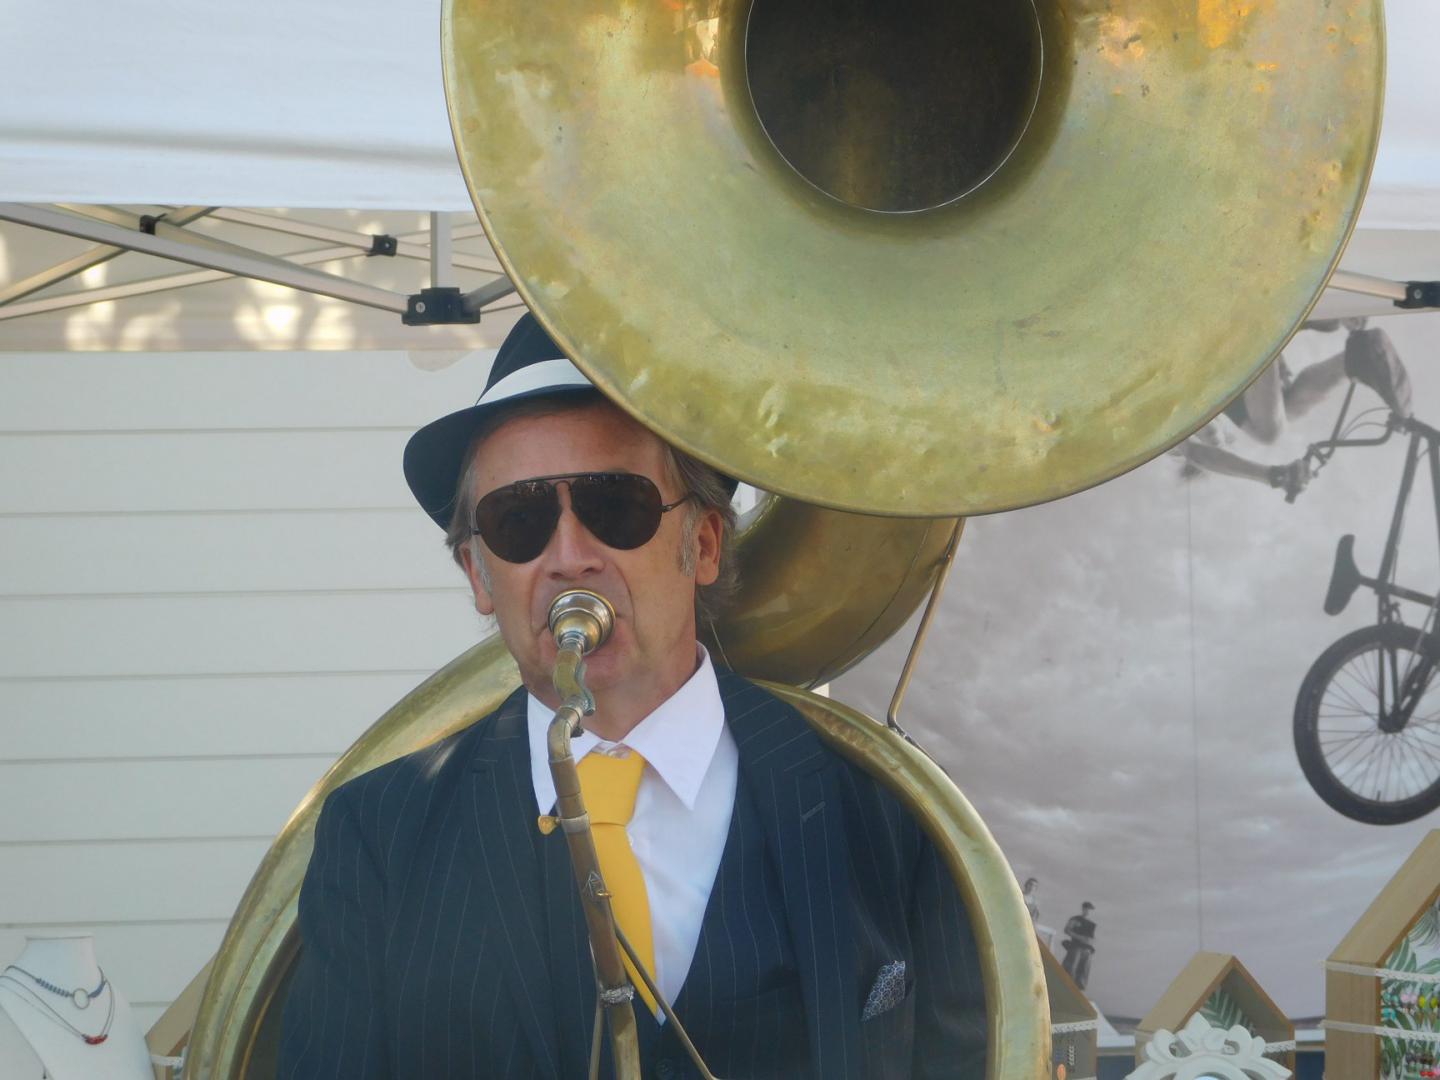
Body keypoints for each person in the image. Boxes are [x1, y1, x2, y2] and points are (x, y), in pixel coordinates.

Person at [277, 312, 987, 1079]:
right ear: (481, 577)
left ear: (705, 544)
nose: (570, 556)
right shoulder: (376, 833)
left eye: (616, 508)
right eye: (518, 522)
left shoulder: (889, 808)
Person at [1176, 317, 1412, 498]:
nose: (1212, 436)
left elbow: (1197, 455)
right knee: (1286, 412)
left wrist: (1271, 476)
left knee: (1269, 433)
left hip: (1225, 340)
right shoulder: (1226, 406)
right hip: (1238, 358)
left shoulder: (1172, 423)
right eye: (1217, 442)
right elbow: (1202, 454)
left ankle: (1277, 323)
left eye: (1208, 438)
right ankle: (1356, 359)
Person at [1060, 903, 1097, 991]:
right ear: (1083, 909)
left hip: (1087, 947)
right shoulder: (1075, 919)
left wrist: (1089, 941)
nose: (1088, 911)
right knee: (1073, 965)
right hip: (1076, 945)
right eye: (1087, 909)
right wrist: (1079, 937)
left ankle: (1080, 985)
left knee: (1085, 967)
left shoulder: (1091, 924)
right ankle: (1068, 981)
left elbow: (1092, 937)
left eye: (1089, 910)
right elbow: (1067, 930)